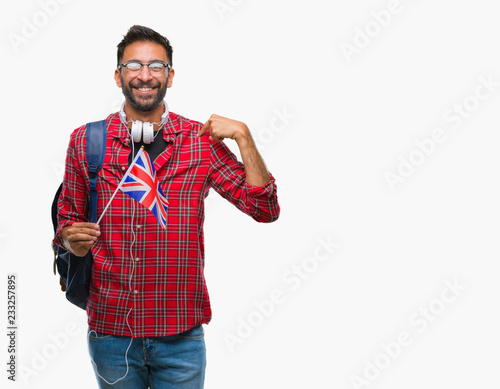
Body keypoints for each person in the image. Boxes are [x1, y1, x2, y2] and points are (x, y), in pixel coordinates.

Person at [54, 25, 280, 388]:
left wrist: (244, 137)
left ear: (170, 76)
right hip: (111, 334)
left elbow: (264, 208)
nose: (145, 76)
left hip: (181, 337)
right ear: (118, 75)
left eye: (156, 65)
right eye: (134, 66)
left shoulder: (199, 142)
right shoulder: (86, 141)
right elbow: (65, 222)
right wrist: (69, 239)